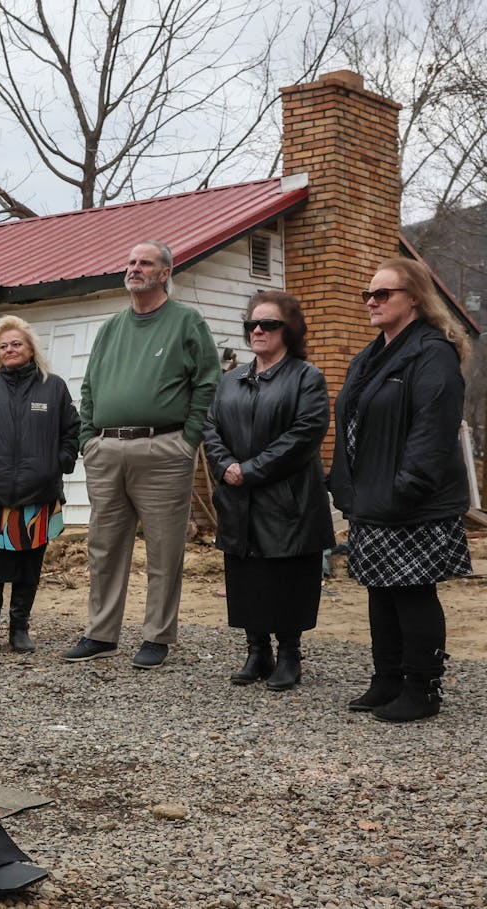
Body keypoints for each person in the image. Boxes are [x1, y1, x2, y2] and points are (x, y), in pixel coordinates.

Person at [63, 241, 220, 668]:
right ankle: (101, 632)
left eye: (145, 262)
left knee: (164, 548)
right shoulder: (111, 326)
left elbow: (208, 382)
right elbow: (90, 387)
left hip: (164, 448)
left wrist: (188, 439)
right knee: (103, 546)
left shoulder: (185, 321)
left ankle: (156, 636)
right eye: (130, 261)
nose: (134, 268)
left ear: (164, 272)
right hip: (106, 449)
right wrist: (88, 439)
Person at [330, 258, 473, 723]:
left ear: (414, 297)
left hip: (413, 499)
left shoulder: (433, 352)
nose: (371, 301)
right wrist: (343, 485)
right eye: (368, 295)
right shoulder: (369, 357)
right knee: (379, 590)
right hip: (372, 498)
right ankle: (387, 678)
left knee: (412, 591)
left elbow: (433, 428)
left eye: (383, 294)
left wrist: (406, 488)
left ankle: (422, 688)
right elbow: (349, 423)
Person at [203, 292, 335, 690]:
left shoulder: (306, 377)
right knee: (247, 576)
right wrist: (226, 466)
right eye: (252, 324)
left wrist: (251, 470)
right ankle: (256, 650)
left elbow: (305, 434)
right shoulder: (230, 380)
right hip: (238, 498)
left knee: (286, 576)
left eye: (269, 324)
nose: (257, 330)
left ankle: (289, 654)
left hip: (288, 498)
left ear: (289, 329)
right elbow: (210, 428)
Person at [0, 315, 79, 655]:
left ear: (30, 348)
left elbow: (72, 430)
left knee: (29, 566)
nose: (10, 350)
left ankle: (19, 627)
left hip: (37, 494)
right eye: (3, 346)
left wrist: (59, 462)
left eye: (16, 344)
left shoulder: (53, 387)